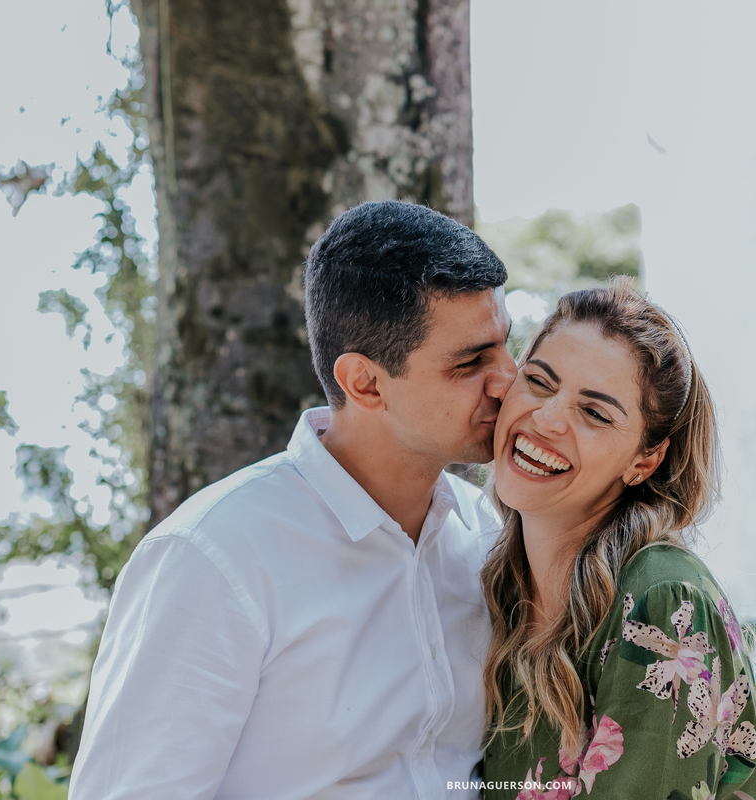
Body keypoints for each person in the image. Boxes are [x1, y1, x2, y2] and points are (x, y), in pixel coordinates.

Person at [69, 200, 517, 799]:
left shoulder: (486, 533)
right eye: (471, 363)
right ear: (365, 382)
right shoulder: (211, 558)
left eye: (504, 345)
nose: (509, 380)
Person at [480, 281, 756, 800]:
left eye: (594, 413)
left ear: (645, 460)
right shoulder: (497, 586)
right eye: (540, 382)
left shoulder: (660, 601)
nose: (546, 420)